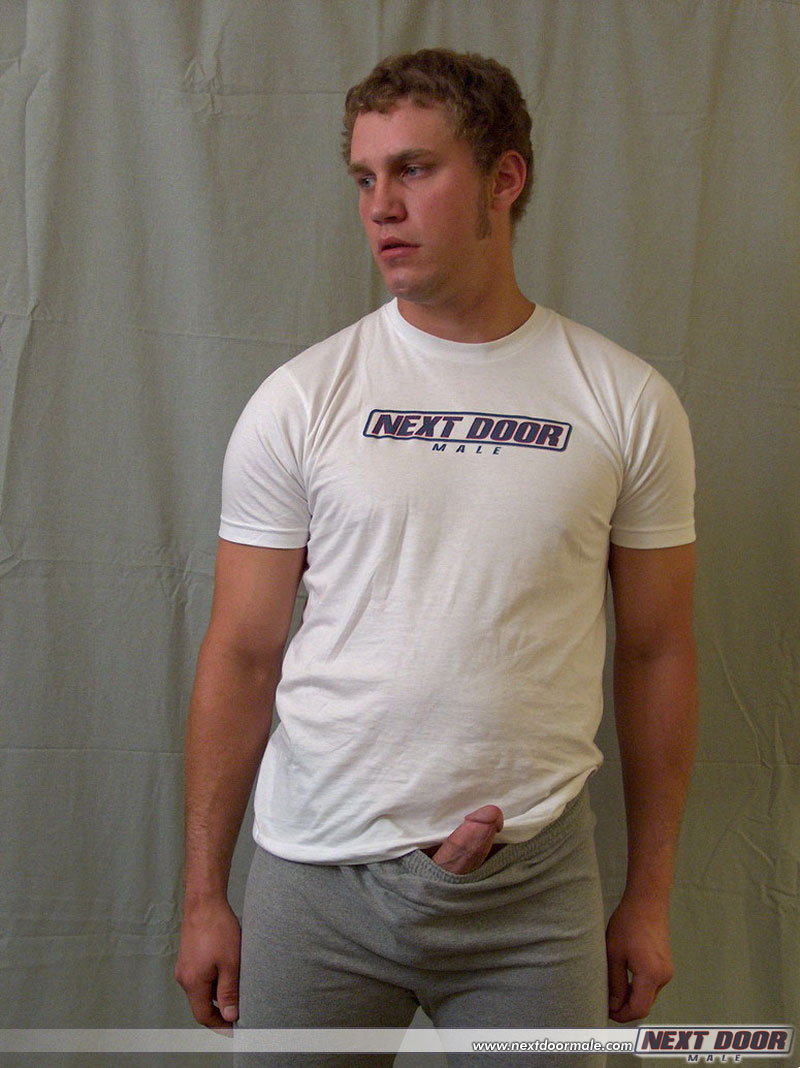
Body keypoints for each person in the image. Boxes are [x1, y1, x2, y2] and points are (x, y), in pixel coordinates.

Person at [175, 48, 697, 1067]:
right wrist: (202, 895)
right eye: (365, 177)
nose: (381, 205)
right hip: (317, 881)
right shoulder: (303, 399)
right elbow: (241, 654)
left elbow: (656, 654)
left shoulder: (625, 401)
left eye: (414, 169)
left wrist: (648, 896)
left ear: (504, 179)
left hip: (531, 890)